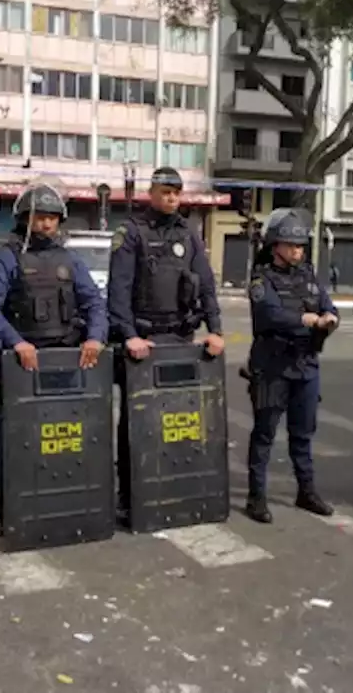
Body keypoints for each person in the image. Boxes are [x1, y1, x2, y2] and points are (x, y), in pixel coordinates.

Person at [0, 182, 108, 534]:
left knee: (66, 435)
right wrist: (15, 342)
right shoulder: (7, 257)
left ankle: (64, 501)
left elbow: (94, 302)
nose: (46, 225)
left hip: (66, 364)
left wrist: (95, 337)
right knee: (14, 439)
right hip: (23, 365)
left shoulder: (69, 259)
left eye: (51, 218)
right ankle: (8, 512)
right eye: (39, 218)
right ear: (24, 220)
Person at [107, 167, 225, 517]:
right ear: (151, 193)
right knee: (136, 421)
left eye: (176, 192)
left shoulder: (189, 234)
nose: (171, 198)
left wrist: (215, 329)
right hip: (144, 341)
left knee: (179, 419)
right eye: (164, 192)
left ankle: (172, 487)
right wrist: (128, 335)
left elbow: (205, 284)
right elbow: (119, 289)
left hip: (181, 337)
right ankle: (130, 498)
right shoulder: (131, 232)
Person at [243, 209, 339, 524]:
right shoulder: (261, 278)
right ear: (275, 246)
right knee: (265, 434)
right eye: (290, 245)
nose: (297, 250)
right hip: (273, 366)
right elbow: (269, 313)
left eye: (300, 245)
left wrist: (330, 318)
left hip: (306, 365)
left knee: (303, 432)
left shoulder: (308, 276)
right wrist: (305, 319)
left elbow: (327, 304)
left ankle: (306, 491)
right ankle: (256, 497)